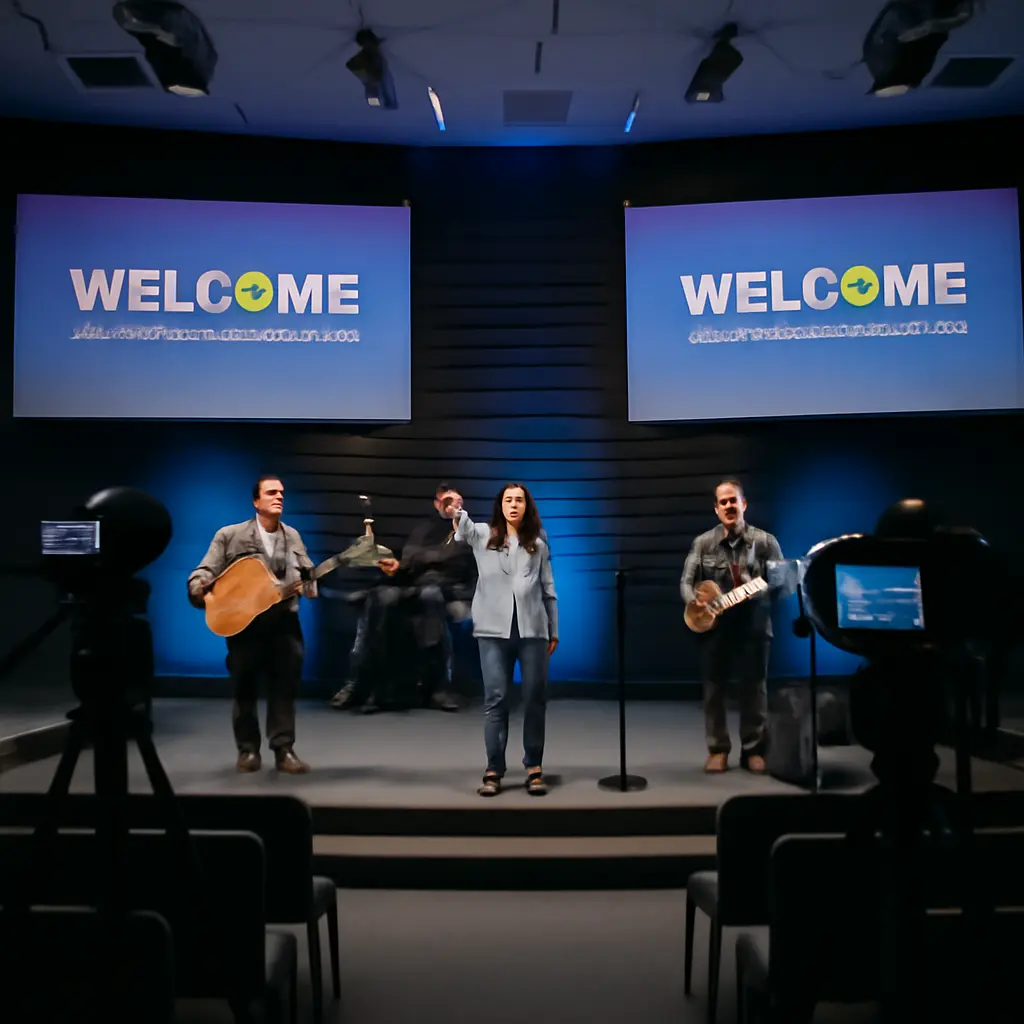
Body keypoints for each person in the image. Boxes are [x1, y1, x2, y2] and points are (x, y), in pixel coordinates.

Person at [187, 476, 317, 774]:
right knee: (244, 689)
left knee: (284, 689)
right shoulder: (230, 535)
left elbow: (309, 577)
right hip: (246, 627)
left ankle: (283, 750)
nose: (278, 497)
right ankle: (247, 751)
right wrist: (202, 590)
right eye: (271, 492)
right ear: (256, 501)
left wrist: (312, 581)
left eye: (282, 493)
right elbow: (203, 571)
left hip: (284, 623)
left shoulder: (293, 536)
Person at [329, 483, 476, 713]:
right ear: (436, 504)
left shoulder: (470, 532)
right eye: (444, 501)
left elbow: (456, 559)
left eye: (454, 500)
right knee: (381, 597)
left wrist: (420, 559)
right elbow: (408, 561)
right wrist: (397, 567)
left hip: (449, 589)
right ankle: (369, 685)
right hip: (415, 585)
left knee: (430, 596)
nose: (449, 505)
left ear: (461, 503)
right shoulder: (423, 530)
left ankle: (438, 687)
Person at [453, 483, 558, 797]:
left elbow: (548, 588)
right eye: (509, 500)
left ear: (527, 506)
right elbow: (463, 529)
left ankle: (534, 767)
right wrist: (456, 509)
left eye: (520, 500)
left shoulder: (538, 542)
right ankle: (493, 769)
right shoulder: (484, 534)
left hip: (533, 631)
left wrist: (554, 629)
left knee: (534, 699)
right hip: (493, 631)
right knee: (496, 700)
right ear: (500, 505)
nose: (514, 505)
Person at [680, 479, 783, 774]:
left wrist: (757, 588)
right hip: (716, 630)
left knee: (754, 690)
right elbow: (686, 581)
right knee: (714, 690)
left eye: (733, 500)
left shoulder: (765, 543)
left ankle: (754, 750)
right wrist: (693, 602)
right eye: (722, 502)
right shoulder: (703, 543)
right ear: (716, 508)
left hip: (754, 627)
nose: (728, 506)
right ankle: (718, 750)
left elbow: (782, 584)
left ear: (744, 504)